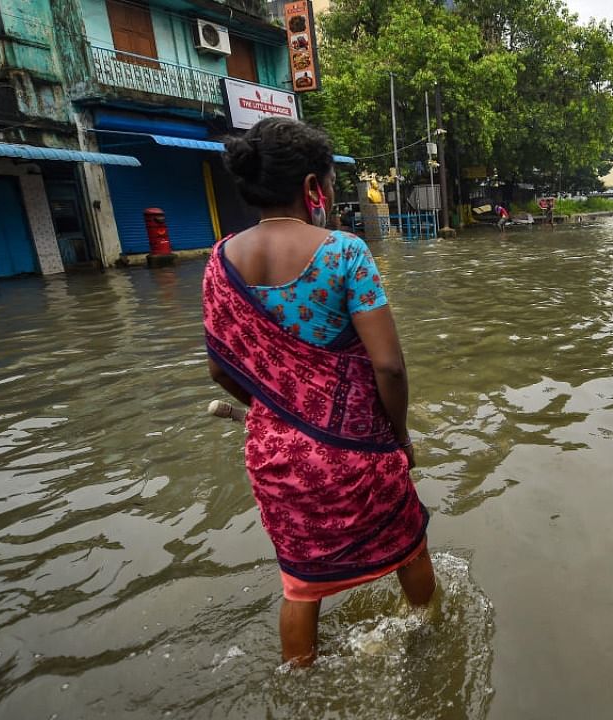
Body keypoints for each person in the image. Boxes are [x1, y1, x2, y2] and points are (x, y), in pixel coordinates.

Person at [203, 118, 434, 668]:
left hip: (274, 450)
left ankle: (299, 680)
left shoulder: (219, 263)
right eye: (329, 182)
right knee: (408, 547)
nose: (330, 193)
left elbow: (220, 371)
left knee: (301, 580)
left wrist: (279, 406)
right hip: (358, 447)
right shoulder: (345, 253)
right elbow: (390, 368)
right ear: (312, 187)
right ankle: (431, 644)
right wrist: (398, 437)